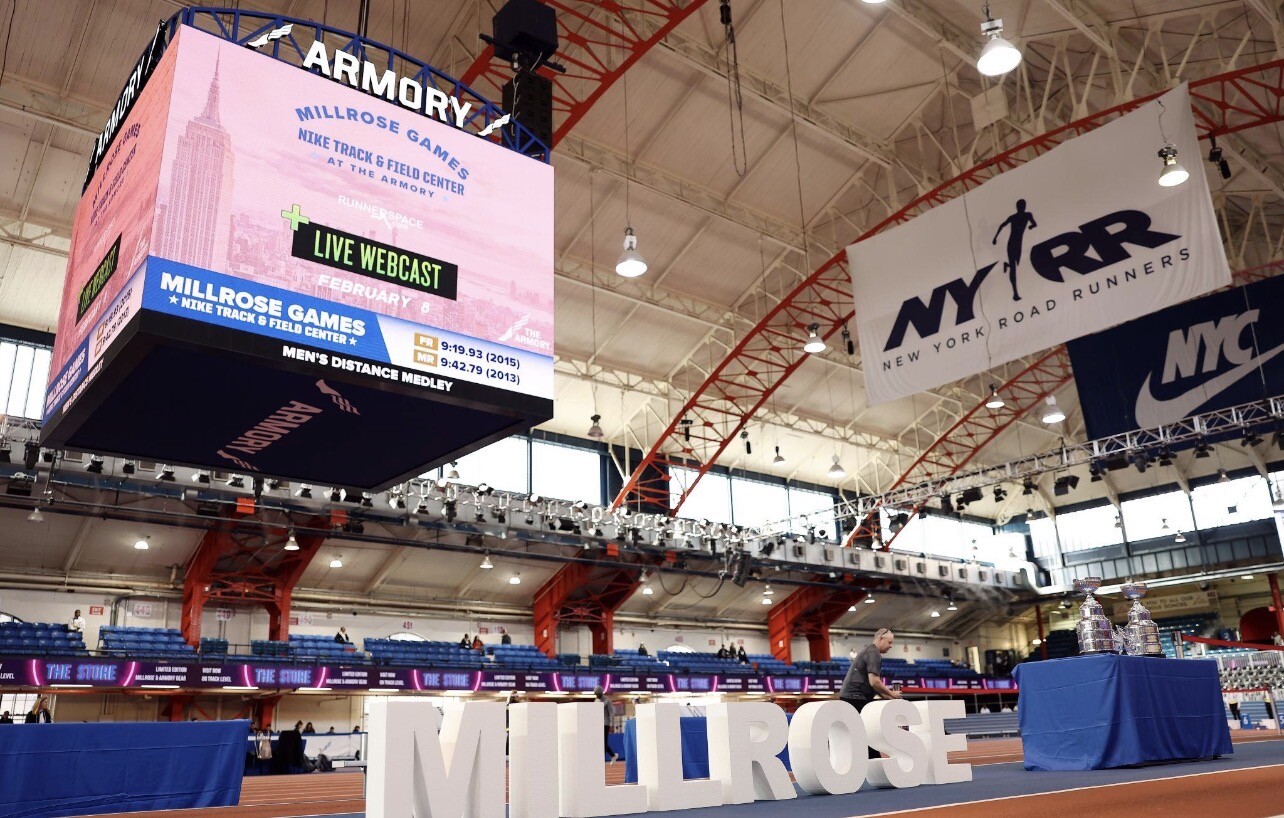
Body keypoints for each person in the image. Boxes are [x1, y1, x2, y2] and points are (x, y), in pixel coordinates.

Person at [838, 629, 901, 759]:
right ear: (881, 639)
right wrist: (892, 694)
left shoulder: (869, 650)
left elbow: (872, 683)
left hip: (851, 697)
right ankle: (874, 762)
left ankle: (871, 762)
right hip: (855, 698)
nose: (891, 646)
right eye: (889, 642)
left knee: (861, 733)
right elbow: (874, 682)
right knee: (867, 733)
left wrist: (887, 696)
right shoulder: (874, 653)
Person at [991, 199, 1038, 301]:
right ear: (1017, 207)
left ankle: (1007, 265)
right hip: (1011, 244)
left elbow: (1035, 224)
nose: (1022, 207)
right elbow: (1002, 225)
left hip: (1018, 244)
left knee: (1015, 265)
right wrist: (995, 238)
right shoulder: (1014, 217)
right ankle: (1015, 293)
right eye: (1021, 206)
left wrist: (1031, 226)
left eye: (1023, 205)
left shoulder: (1027, 215)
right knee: (1014, 269)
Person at [595, 685, 618, 763]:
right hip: (598, 724)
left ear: (601, 693)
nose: (597, 695)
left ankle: (604, 759)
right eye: (596, 694)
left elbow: (611, 713)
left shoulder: (607, 701)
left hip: (606, 723)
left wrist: (611, 724)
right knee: (600, 742)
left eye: (598, 694)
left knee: (603, 743)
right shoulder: (596, 701)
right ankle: (613, 755)